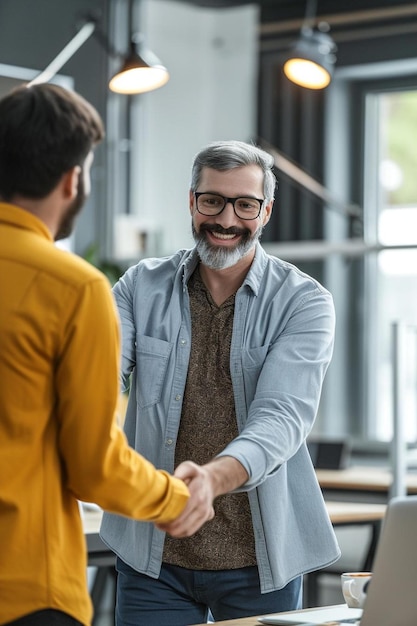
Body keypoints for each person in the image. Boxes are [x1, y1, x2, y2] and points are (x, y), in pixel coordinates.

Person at [100, 140, 341, 625]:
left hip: (260, 559)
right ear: (192, 201)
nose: (226, 219)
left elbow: (281, 419)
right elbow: (96, 376)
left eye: (245, 204)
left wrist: (211, 478)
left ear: (265, 211)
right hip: (152, 555)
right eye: (212, 200)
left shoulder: (303, 302)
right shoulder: (138, 287)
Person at [0, 83, 194, 626]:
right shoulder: (72, 287)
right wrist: (176, 499)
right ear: (72, 179)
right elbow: (94, 465)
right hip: (23, 589)